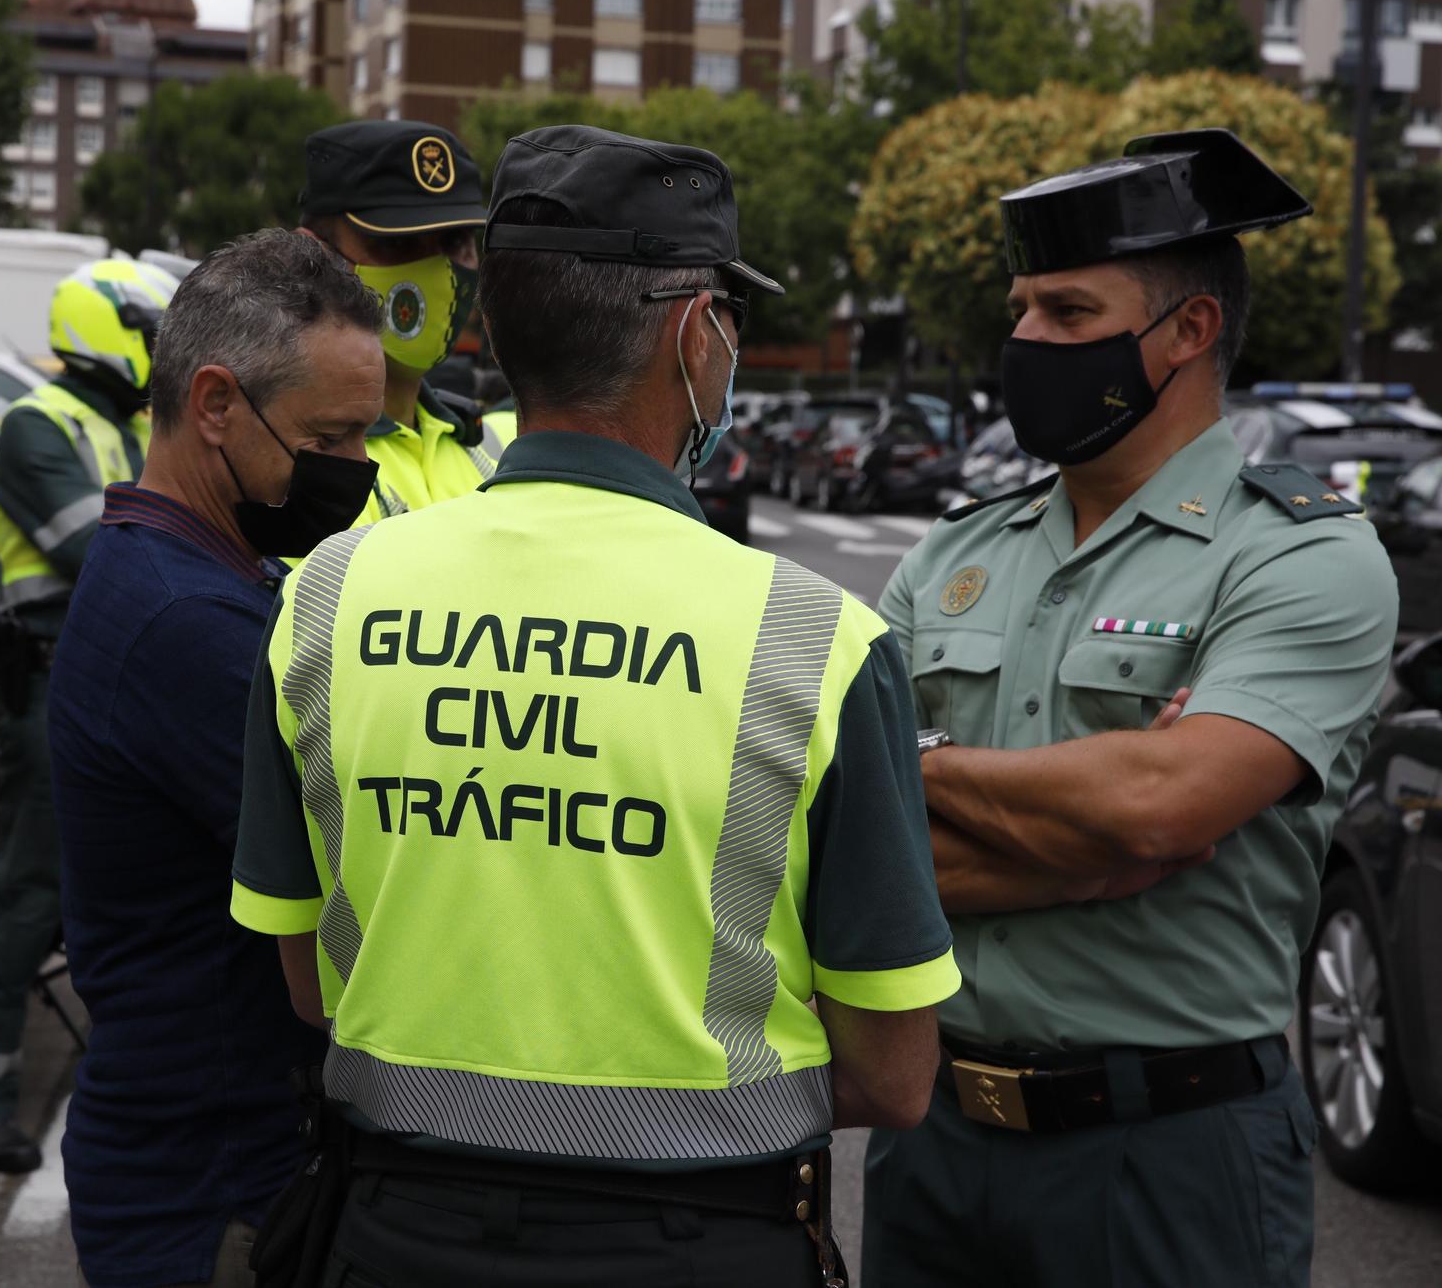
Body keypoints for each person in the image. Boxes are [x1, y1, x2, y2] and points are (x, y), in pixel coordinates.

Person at [231, 125, 960, 1287]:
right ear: (689, 329)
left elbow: (307, 980)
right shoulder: (817, 638)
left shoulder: (325, 595)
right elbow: (894, 1072)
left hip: (388, 1232)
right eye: (728, 312)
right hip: (699, 1242)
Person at [863, 130, 1399, 1287]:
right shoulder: (955, 551)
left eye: (1064, 312)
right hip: (932, 1139)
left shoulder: (1299, 557)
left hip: (1171, 1153)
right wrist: (1072, 846)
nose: (1023, 342)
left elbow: (1163, 804)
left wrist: (910, 767)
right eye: (1019, 310)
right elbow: (839, 839)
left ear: (1187, 332)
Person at [46, 229, 384, 1288]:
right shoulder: (184, 623)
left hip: (201, 1156)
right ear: (215, 405)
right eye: (330, 438)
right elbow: (358, 873)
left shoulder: (190, 573)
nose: (356, 474)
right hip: (212, 1187)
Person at [0, 258, 173, 1174]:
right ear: (105, 329)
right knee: (28, 896)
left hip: (123, 680)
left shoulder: (126, 426)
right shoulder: (36, 423)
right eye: (152, 333)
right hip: (50, 682)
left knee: (131, 896)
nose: (162, 352)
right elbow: (101, 547)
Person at [297, 120, 512, 525]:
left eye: (453, 242)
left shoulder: (484, 450)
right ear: (313, 253)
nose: (435, 270)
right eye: (397, 244)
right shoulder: (292, 457)